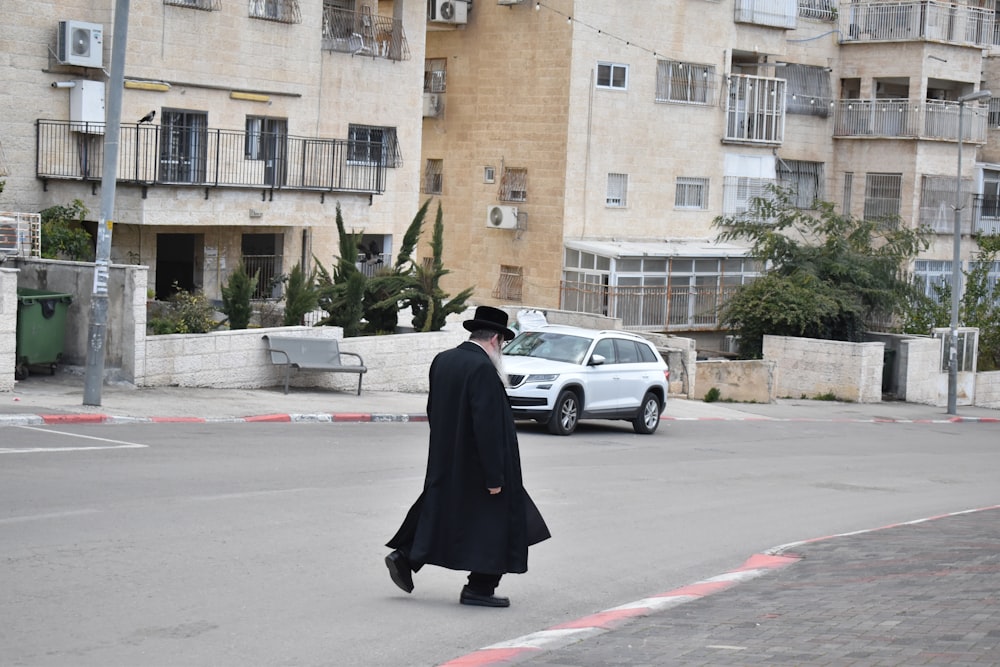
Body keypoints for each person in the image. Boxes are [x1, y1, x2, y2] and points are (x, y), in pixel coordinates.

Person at [384, 306, 550, 608]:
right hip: (482, 467)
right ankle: (480, 588)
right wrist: (494, 476)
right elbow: (486, 426)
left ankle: (406, 556)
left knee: (442, 510)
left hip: (448, 458)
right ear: (496, 339)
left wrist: (447, 447)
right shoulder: (483, 369)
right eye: (502, 344)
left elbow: (433, 409)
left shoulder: (444, 360)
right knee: (504, 524)